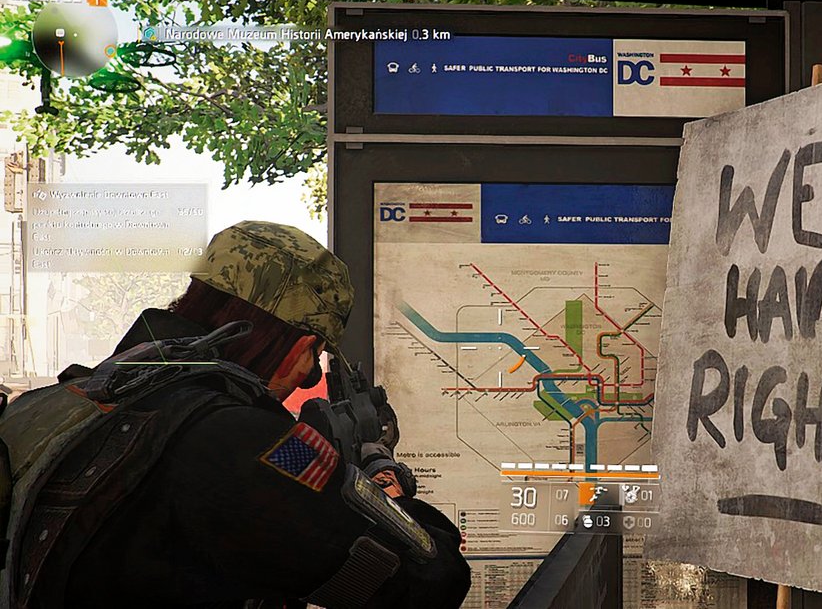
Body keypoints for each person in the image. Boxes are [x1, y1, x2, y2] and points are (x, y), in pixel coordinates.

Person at [0, 221, 471, 608]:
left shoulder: (80, 396)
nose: (307, 377)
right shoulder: (239, 441)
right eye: (315, 356)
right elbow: (427, 582)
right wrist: (381, 480)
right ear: (301, 343)